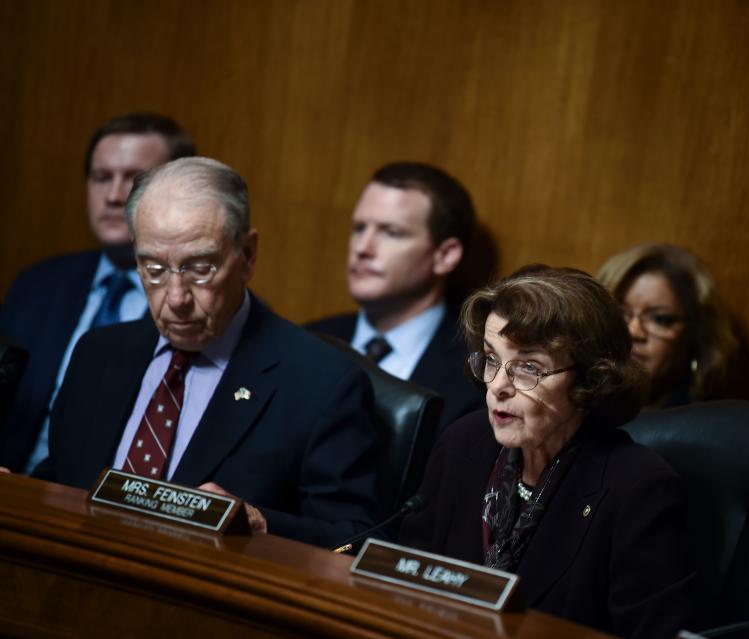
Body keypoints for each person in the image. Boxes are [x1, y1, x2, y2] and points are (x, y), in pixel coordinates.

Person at [30, 157, 380, 547]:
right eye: (154, 268)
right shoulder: (98, 354)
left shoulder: (320, 383)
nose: (176, 299)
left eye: (200, 268)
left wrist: (259, 524)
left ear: (247, 255)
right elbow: (62, 479)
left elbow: (351, 540)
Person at [399, 265, 691, 638]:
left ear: (589, 378)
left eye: (528, 368)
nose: (498, 386)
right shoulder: (463, 444)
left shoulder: (637, 490)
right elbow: (404, 584)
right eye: (491, 359)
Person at [0, 113, 196, 473]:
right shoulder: (37, 285)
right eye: (101, 177)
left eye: (135, 180)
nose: (114, 195)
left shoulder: (202, 307)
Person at [305, 162, 483, 431]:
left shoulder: (478, 374)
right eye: (359, 228)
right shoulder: (306, 342)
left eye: (392, 232)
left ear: (445, 256)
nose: (363, 248)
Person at [596, 243, 737, 408]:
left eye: (660, 319)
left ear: (696, 334)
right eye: (618, 312)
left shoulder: (708, 427)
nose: (633, 331)